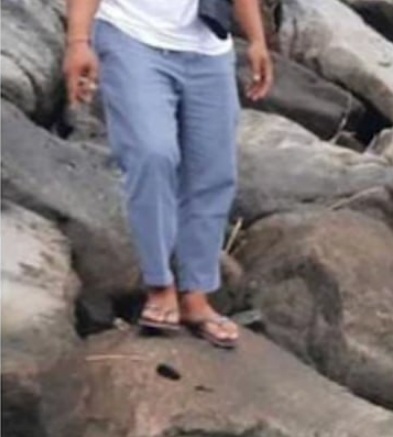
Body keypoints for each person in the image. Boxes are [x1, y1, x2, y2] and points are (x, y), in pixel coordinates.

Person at [63, 0, 273, 348]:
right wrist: (78, 42)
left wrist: (256, 40)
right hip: (130, 36)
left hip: (208, 49)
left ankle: (196, 295)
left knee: (213, 171)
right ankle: (160, 286)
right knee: (151, 154)